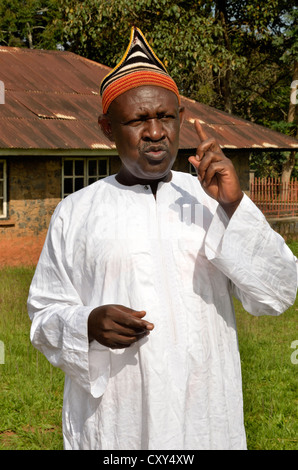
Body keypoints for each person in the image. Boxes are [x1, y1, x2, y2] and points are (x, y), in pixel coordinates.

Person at [27, 27, 297, 450]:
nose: (155, 132)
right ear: (106, 128)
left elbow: (276, 293)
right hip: (117, 422)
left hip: (204, 415)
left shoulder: (211, 200)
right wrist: (87, 325)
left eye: (165, 117)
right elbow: (44, 315)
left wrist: (233, 206)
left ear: (180, 119)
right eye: (137, 120)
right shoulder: (76, 212)